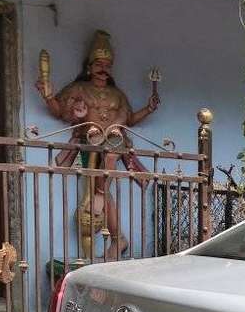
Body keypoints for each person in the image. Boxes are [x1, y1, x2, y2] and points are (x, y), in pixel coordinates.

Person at [36, 30, 160, 260]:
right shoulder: (78, 89)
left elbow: (130, 119)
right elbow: (61, 111)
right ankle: (117, 238)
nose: (104, 69)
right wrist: (48, 96)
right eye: (99, 64)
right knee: (94, 191)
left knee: (103, 176)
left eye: (107, 65)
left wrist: (149, 109)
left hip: (114, 141)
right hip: (89, 143)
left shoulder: (117, 94)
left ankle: (104, 206)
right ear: (89, 66)